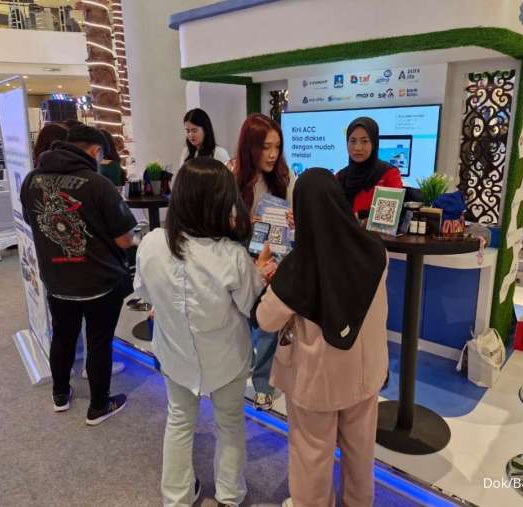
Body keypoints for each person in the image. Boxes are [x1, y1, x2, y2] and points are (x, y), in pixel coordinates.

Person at [135, 157, 275, 507]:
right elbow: (251, 306)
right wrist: (259, 273)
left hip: (174, 352)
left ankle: (176, 498)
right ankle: (229, 496)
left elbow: (145, 293)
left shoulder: (151, 243)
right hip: (226, 356)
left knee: (179, 421)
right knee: (229, 423)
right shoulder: (231, 255)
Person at [254, 168, 389, 507]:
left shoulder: (298, 267)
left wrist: (265, 277)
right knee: (361, 453)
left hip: (317, 382)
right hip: (366, 373)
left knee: (311, 456)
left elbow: (265, 320)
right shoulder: (375, 251)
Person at [20, 125, 137, 425]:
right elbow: (125, 239)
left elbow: (34, 224)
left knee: (62, 336)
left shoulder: (32, 180)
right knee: (99, 341)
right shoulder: (98, 184)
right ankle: (98, 406)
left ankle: (60, 394)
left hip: (56, 279)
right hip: (99, 280)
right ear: (95, 151)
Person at [231, 113, 296, 411]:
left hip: (275, 252)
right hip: (241, 254)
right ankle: (241, 367)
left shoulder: (285, 176)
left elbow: (294, 221)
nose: (272, 154)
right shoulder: (232, 176)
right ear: (250, 147)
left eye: (277, 147)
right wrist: (244, 224)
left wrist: (294, 221)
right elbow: (221, 224)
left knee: (269, 321)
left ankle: (263, 383)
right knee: (241, 316)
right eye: (265, 147)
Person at [336, 117, 403, 216]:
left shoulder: (389, 174)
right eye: (353, 141)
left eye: (364, 141)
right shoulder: (340, 177)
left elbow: (389, 215)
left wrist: (360, 217)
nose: (357, 148)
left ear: (374, 143)